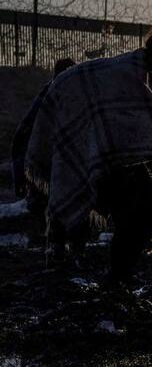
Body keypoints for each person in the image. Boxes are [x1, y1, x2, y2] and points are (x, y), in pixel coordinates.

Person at [25, 22, 152, 284]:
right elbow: (143, 115)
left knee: (136, 212)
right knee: (146, 212)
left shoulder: (138, 71)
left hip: (105, 150)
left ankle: (116, 274)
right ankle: (116, 277)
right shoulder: (127, 72)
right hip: (95, 145)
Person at [11, 58, 91, 265]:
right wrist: (21, 175)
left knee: (62, 207)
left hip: (58, 163)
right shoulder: (59, 96)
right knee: (70, 206)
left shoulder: (52, 95)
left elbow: (22, 135)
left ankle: (64, 251)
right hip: (58, 163)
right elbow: (24, 135)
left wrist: (20, 175)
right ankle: (69, 251)